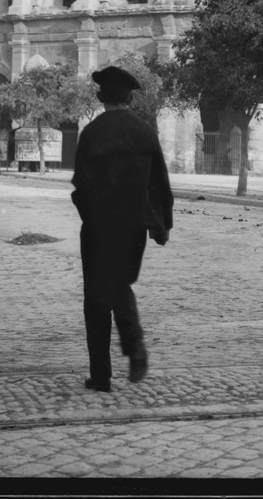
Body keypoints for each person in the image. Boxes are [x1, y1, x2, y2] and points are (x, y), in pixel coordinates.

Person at [71, 65, 173, 393]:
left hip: (99, 227)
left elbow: (80, 186)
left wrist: (90, 215)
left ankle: (101, 375)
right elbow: (160, 184)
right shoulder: (145, 132)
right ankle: (135, 346)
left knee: (96, 298)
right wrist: (161, 224)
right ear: (130, 97)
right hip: (133, 228)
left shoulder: (92, 133)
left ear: (101, 97)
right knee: (120, 285)